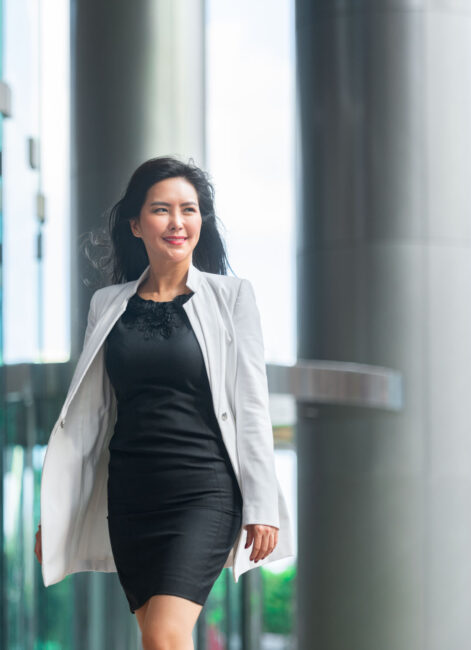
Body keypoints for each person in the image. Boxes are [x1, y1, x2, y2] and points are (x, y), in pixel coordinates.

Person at [35, 156, 288, 649]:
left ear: (200, 222)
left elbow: (251, 404)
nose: (177, 222)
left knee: (164, 638)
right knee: (162, 643)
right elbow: (87, 421)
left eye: (189, 210)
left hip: (204, 491)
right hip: (132, 497)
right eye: (161, 210)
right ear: (136, 224)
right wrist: (56, 512)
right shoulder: (108, 305)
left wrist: (263, 503)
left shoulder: (232, 297)